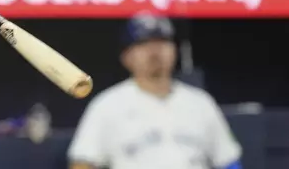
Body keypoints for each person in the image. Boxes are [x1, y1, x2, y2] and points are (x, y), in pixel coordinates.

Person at [68, 13, 242, 169]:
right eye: (144, 43)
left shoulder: (201, 103)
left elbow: (228, 161)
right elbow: (83, 163)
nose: (154, 51)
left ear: (174, 51)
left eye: (162, 42)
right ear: (126, 57)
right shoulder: (107, 105)